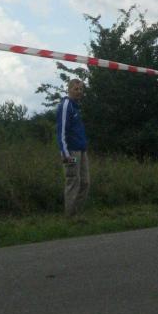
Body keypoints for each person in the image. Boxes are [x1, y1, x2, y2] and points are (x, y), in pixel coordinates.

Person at [56, 79, 89, 216]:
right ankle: (70, 216)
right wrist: (65, 154)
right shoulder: (66, 106)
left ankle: (78, 214)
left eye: (81, 89)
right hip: (70, 152)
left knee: (85, 182)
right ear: (69, 89)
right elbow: (61, 131)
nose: (79, 92)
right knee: (73, 181)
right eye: (76, 89)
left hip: (81, 151)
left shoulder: (76, 107)